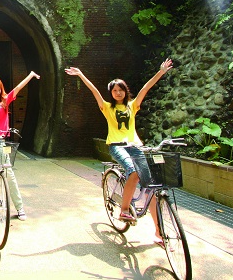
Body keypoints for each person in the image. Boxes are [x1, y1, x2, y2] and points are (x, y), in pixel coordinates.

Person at [65, 59, 172, 246]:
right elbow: (94, 92)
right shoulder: (107, 107)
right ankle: (124, 208)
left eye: (120, 89)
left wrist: (161, 72)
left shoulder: (133, 105)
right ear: (111, 93)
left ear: (125, 90)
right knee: (133, 172)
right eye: (114, 90)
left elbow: (146, 88)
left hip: (135, 146)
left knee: (152, 189)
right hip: (116, 145)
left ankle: (158, 233)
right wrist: (81, 75)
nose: (118, 92)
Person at [0, 57, 39, 221]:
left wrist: (30, 75)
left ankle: (20, 207)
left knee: (9, 173)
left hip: (2, 141)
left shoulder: (5, 101)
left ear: (1, 89)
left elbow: (18, 87)